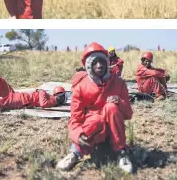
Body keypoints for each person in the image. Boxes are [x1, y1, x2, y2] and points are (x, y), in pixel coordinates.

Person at [57, 42, 133, 174]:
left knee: (111, 108)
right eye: (95, 62)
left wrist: (119, 102)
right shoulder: (80, 88)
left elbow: (128, 114)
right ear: (88, 65)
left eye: (102, 61)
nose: (99, 66)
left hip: (114, 129)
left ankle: (122, 152)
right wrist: (78, 134)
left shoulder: (119, 83)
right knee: (96, 119)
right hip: (94, 129)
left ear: (107, 63)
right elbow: (75, 118)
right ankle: (75, 153)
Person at [0, 76, 66, 114]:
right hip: (18, 95)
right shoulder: (50, 97)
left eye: (59, 96)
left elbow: (43, 104)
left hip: (21, 100)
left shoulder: (52, 100)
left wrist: (41, 91)